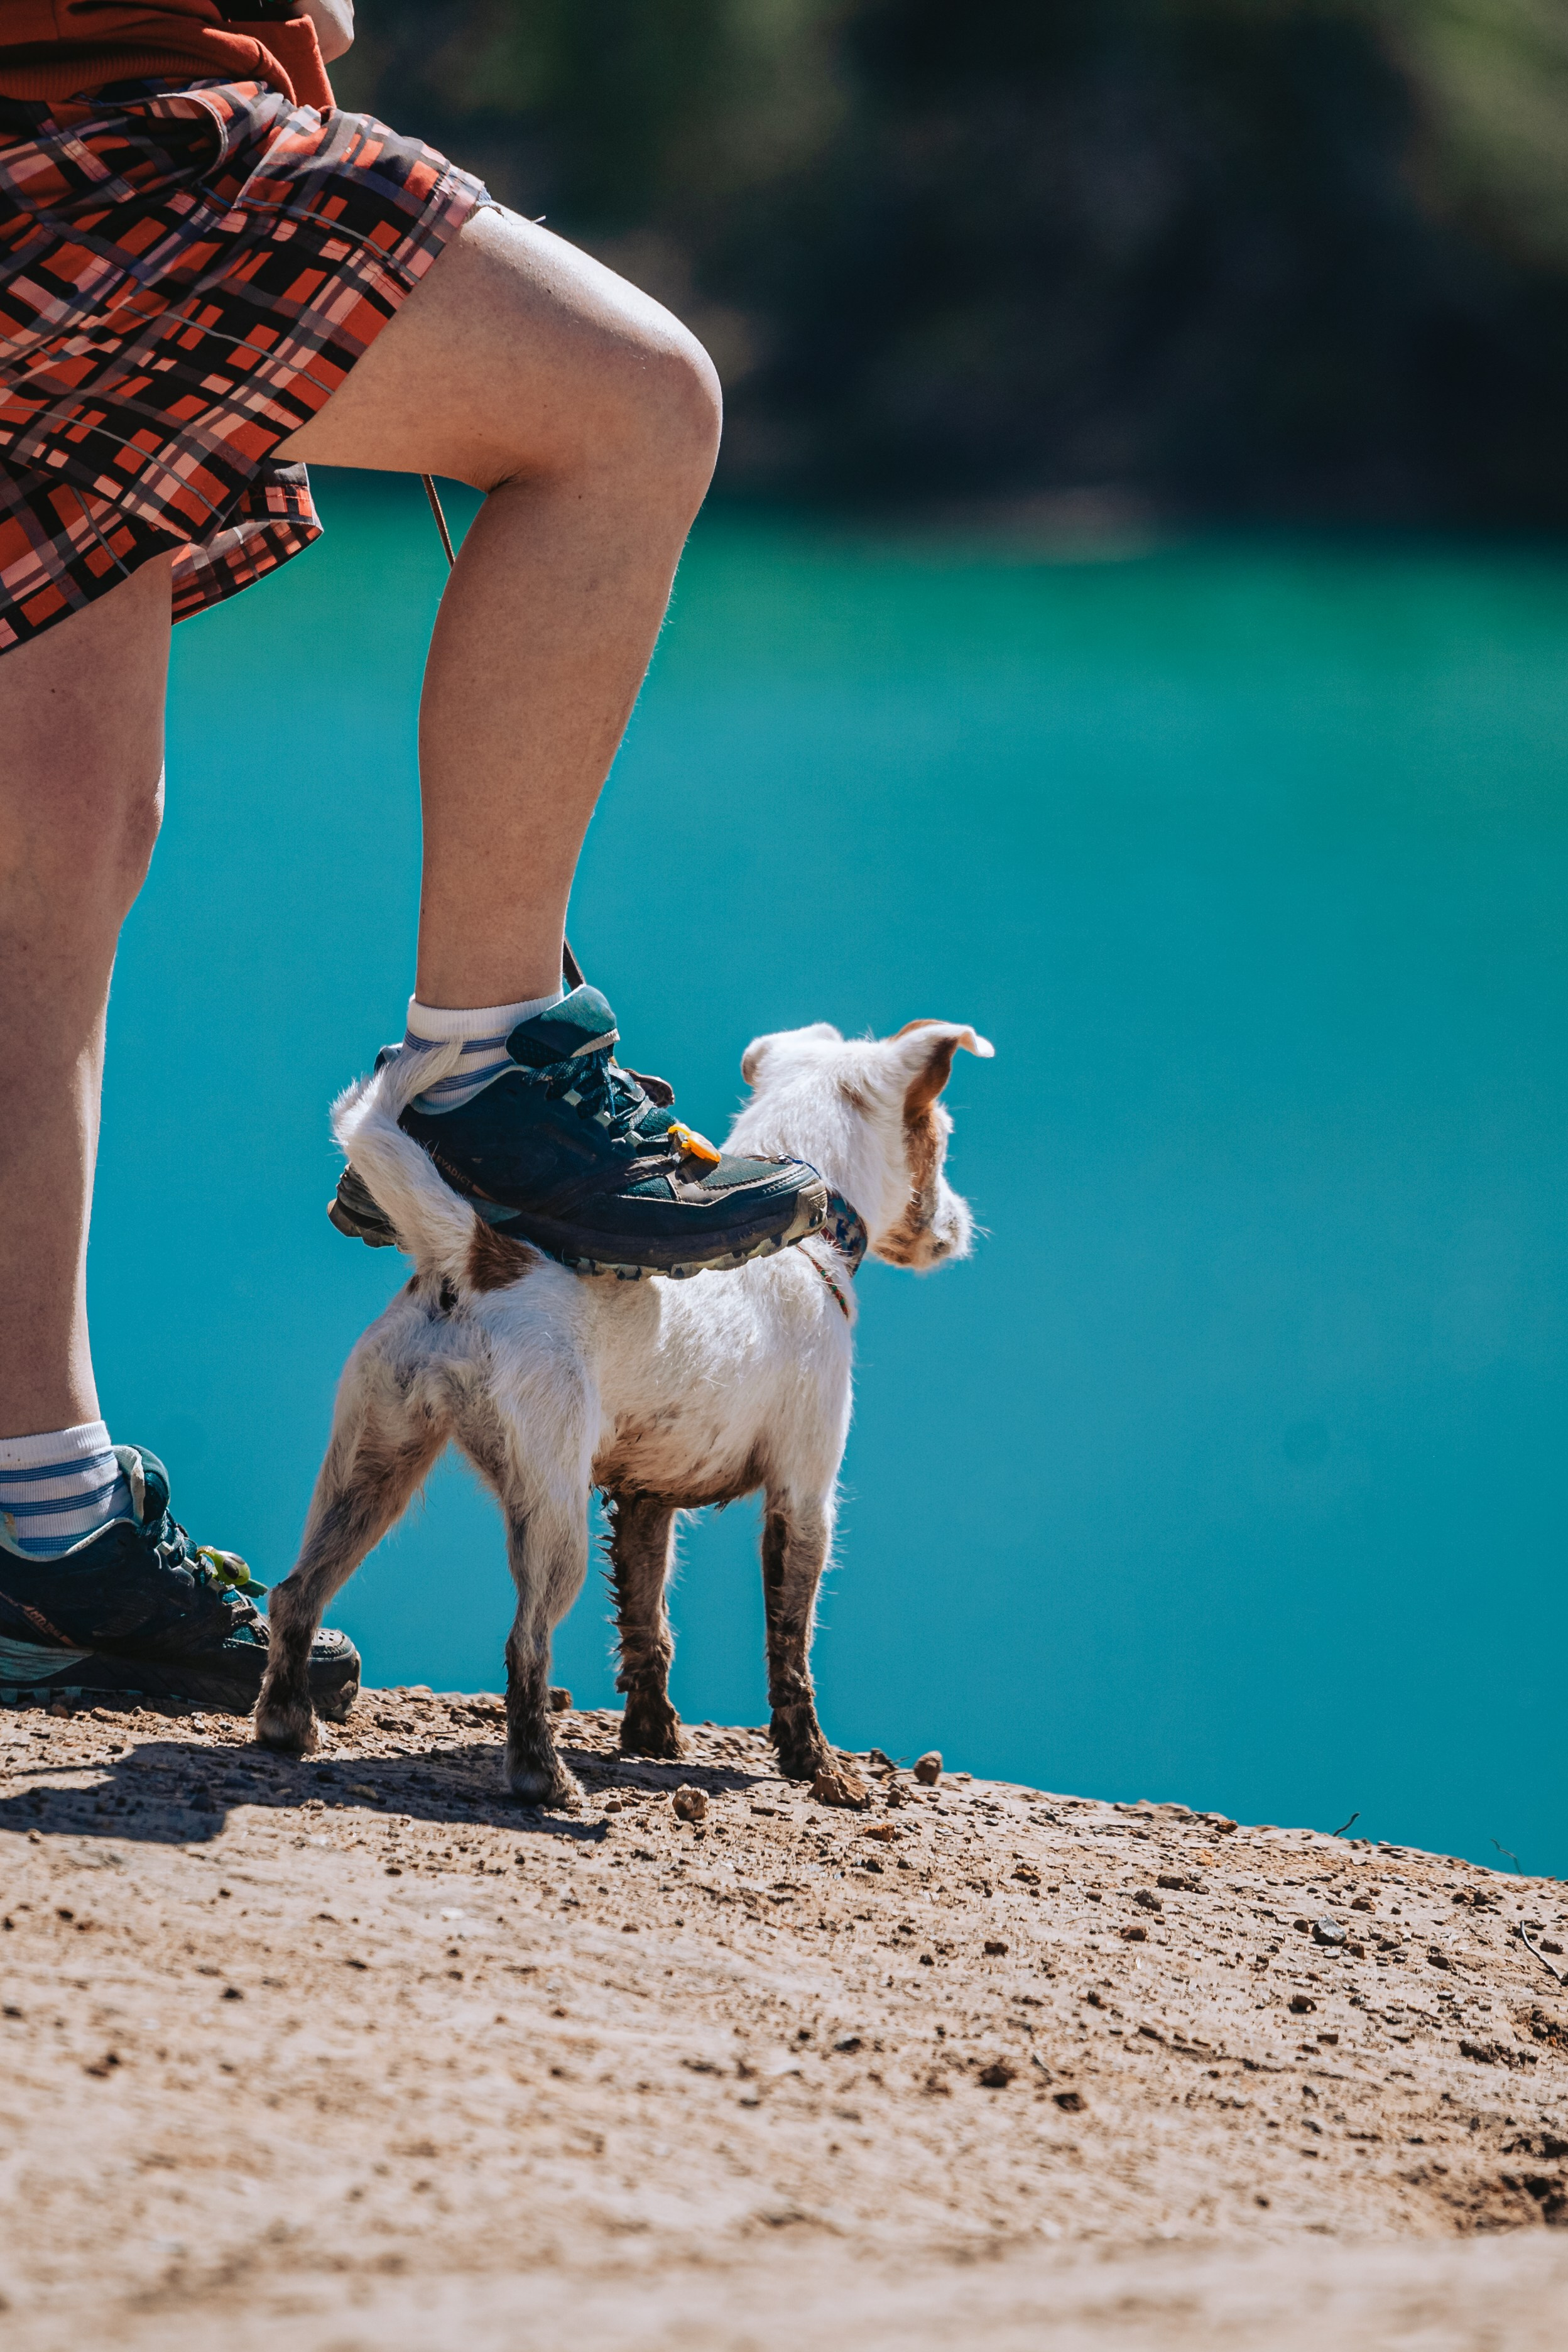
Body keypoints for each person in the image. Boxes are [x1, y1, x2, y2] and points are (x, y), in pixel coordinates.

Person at [0, 0, 825, 1714]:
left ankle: (35, 1515)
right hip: (85, 126)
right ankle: (486, 1059)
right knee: (623, 405)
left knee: (53, 837)